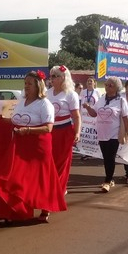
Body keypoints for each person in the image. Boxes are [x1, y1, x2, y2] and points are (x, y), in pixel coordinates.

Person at [0, 70, 66, 223]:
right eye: (25, 83)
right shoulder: (21, 102)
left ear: (38, 86)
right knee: (15, 179)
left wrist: (28, 130)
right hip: (19, 146)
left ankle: (46, 207)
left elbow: (48, 128)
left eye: (29, 84)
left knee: (40, 180)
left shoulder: (45, 104)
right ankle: (13, 212)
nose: (26, 86)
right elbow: (14, 121)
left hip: (38, 147)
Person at [82, 77, 128, 191]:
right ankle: (110, 178)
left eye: (110, 85)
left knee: (110, 158)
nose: (107, 87)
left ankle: (107, 181)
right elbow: (94, 114)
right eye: (106, 84)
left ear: (116, 87)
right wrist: (88, 107)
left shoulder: (121, 100)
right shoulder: (101, 99)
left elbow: (126, 118)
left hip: (114, 134)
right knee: (106, 158)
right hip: (101, 134)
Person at [46, 65, 81, 194]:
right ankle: (51, 186)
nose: (52, 79)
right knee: (50, 161)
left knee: (61, 162)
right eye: (51, 76)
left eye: (55, 76)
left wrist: (77, 132)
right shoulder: (47, 93)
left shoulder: (71, 94)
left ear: (63, 78)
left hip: (65, 131)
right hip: (49, 131)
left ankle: (58, 189)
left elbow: (76, 116)